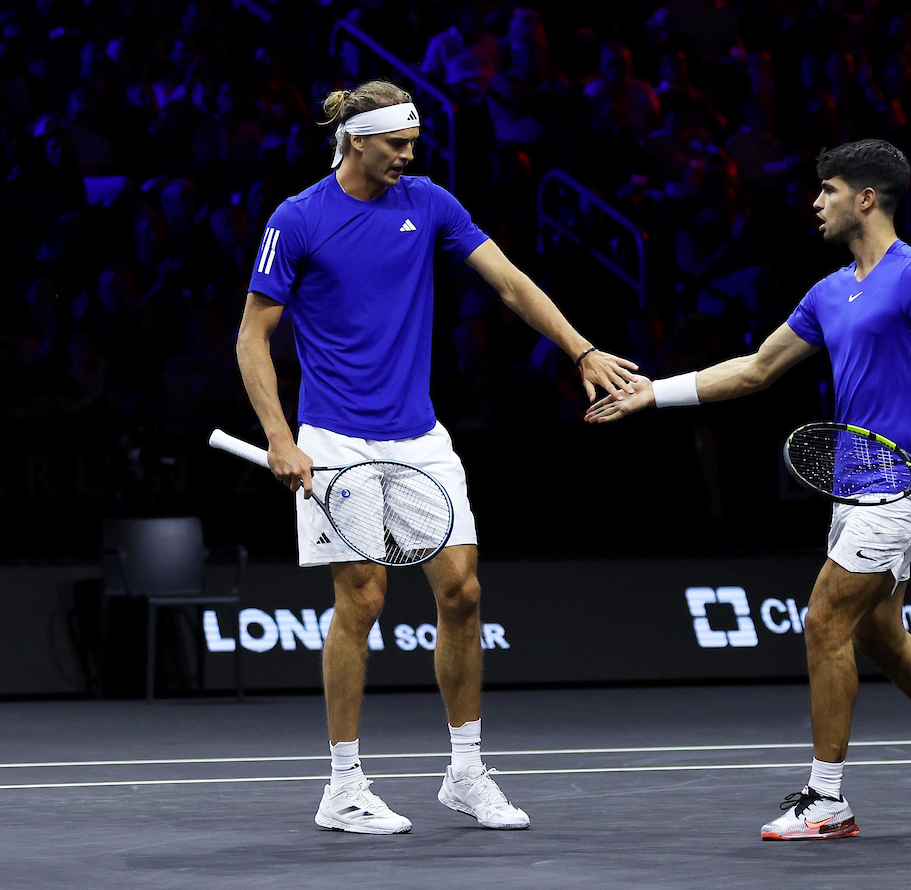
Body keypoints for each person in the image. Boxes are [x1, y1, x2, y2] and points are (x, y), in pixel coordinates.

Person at [236, 80, 637, 834]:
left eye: (413, 144)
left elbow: (513, 284)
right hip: (336, 440)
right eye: (396, 144)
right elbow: (251, 336)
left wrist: (579, 348)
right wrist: (281, 437)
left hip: (418, 436)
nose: (409, 156)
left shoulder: (431, 204)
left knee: (463, 594)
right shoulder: (298, 220)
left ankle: (465, 772)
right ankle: (344, 786)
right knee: (363, 600)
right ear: (358, 141)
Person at [586, 139, 911, 839]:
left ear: (866, 199)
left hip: (902, 489)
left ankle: (828, 800)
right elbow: (757, 369)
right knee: (878, 633)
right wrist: (651, 395)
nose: (816, 202)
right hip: (850, 488)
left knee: (822, 621)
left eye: (829, 189)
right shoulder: (827, 292)